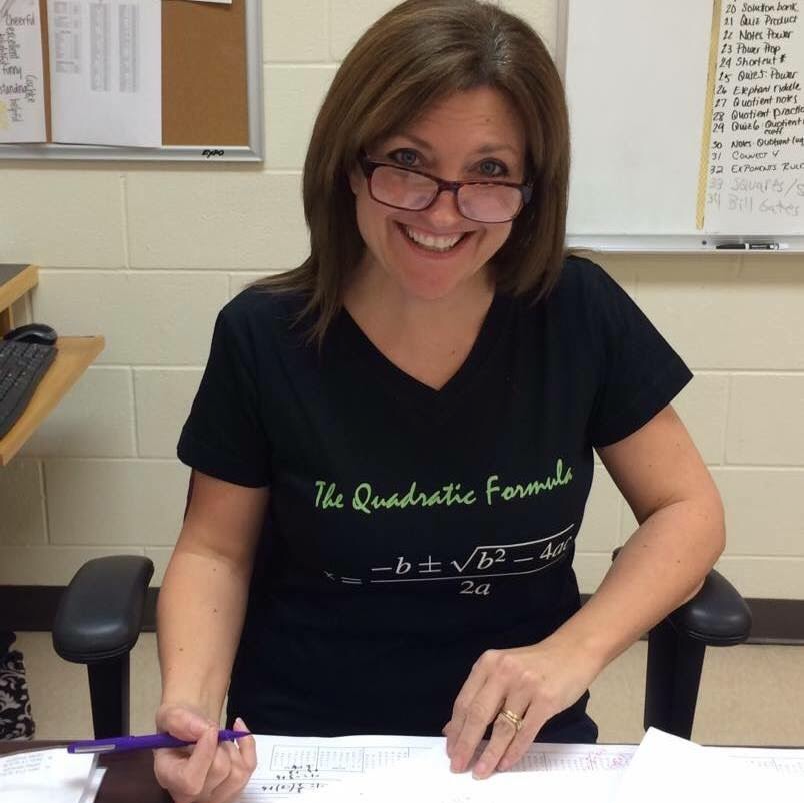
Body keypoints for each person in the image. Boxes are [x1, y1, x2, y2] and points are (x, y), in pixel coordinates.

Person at [153, 1, 726, 801]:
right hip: (308, 741)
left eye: (490, 173)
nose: (444, 210)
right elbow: (215, 551)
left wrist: (572, 651)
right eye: (407, 160)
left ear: (532, 187)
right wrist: (190, 706)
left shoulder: (578, 311)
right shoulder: (264, 335)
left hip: (518, 744)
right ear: (349, 164)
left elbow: (688, 507)